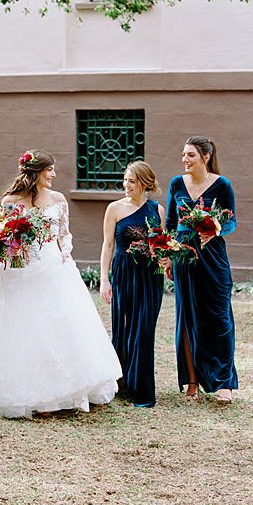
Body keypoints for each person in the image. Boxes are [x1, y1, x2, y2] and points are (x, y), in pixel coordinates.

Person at [0, 150, 122, 418]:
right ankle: (30, 395)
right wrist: (1, 255)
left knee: (61, 326)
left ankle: (67, 391)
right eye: (49, 170)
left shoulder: (59, 199)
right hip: (21, 269)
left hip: (54, 267)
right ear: (36, 171)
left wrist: (65, 254)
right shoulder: (10, 200)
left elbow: (64, 234)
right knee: (22, 327)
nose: (53, 175)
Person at [164, 136, 238, 404]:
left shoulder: (222, 185)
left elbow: (231, 221)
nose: (185, 160)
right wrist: (169, 256)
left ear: (205, 157)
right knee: (186, 318)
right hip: (184, 256)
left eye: (191, 155)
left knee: (219, 318)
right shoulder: (176, 184)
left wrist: (216, 229)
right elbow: (171, 223)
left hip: (212, 257)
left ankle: (225, 383)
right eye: (183, 155)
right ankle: (192, 381)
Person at [99, 161, 164, 407]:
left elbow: (160, 247)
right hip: (124, 273)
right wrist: (105, 279)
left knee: (144, 330)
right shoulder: (114, 209)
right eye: (125, 180)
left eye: (132, 181)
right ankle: (121, 381)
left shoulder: (157, 210)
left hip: (150, 277)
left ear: (145, 183)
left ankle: (142, 390)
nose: (126, 185)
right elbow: (108, 246)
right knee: (123, 329)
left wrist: (163, 268)